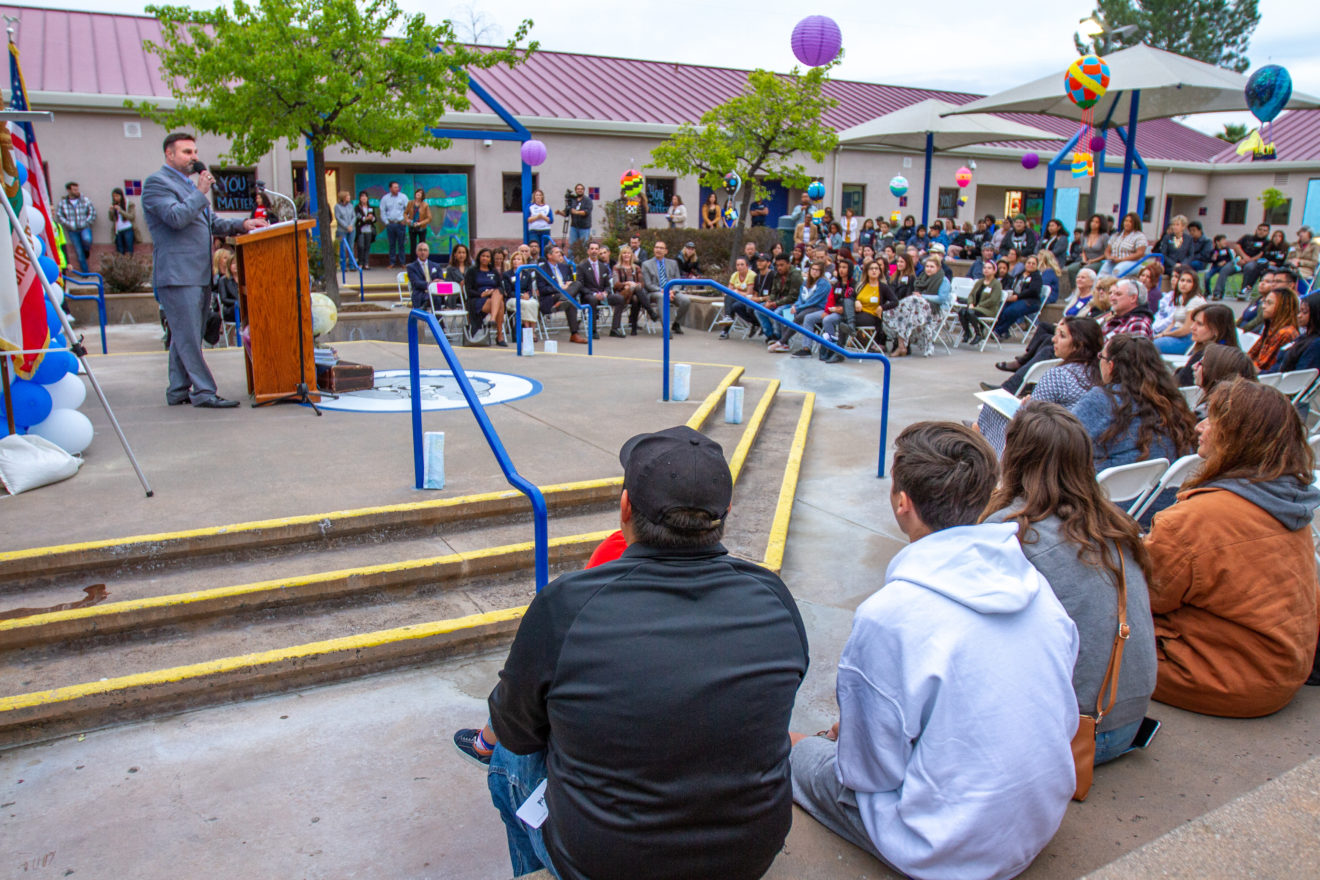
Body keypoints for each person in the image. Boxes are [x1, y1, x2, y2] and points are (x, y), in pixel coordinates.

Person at [485, 425, 809, 880]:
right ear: (725, 513)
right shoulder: (773, 595)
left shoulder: (567, 605)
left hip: (602, 865)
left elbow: (518, 732)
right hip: (748, 857)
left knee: (507, 759)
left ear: (625, 508)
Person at [790, 421, 1078, 880]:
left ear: (901, 503)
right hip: (1039, 819)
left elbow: (868, 775)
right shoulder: (1037, 589)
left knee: (794, 752)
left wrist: (838, 740)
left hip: (946, 847)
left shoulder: (890, 614)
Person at [986, 402, 1157, 764]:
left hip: (1077, 736)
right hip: (1129, 719)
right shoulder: (1114, 523)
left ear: (1013, 455)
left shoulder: (1011, 530)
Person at [1145, 379, 1319, 717]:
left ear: (1235, 436)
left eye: (1211, 419)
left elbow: (1147, 597)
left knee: (1085, 618)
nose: (1200, 427)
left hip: (1224, 678)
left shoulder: (1196, 518)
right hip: (1283, 668)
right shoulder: (1286, 500)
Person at [142, 132, 266, 408]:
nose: (194, 157)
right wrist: (200, 191)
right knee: (187, 338)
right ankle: (204, 392)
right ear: (169, 155)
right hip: (177, 275)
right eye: (187, 152)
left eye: (195, 151)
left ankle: (177, 390)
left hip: (198, 274)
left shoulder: (188, 186)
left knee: (186, 336)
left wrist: (242, 224)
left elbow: (210, 222)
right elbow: (175, 218)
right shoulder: (156, 184)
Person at [1070, 334, 1198, 522]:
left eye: (1101, 357)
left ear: (1111, 365)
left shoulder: (1104, 400)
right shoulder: (1174, 404)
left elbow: (1058, 441)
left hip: (1106, 512)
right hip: (1158, 512)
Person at [978, 317, 1103, 454]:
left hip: (1051, 442)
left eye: (1062, 336)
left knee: (990, 408)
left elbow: (1032, 416)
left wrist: (1026, 405)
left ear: (1078, 345)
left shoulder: (1059, 375)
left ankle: (990, 455)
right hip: (1075, 440)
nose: (1053, 339)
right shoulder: (1098, 373)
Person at [771, 260, 829, 354]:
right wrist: (795, 305)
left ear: (821, 272)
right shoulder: (806, 282)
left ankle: (781, 341)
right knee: (786, 314)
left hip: (818, 307)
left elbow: (814, 301)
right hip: (804, 306)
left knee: (799, 316)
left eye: (817, 270)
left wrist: (798, 308)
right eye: (813, 269)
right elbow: (801, 298)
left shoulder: (824, 284)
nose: (814, 272)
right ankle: (785, 343)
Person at [1173, 303, 1239, 386]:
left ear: (1217, 329)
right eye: (1194, 322)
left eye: (1200, 324)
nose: (1192, 327)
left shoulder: (1207, 357)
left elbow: (1182, 383)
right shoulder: (1234, 354)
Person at [538, 244, 586, 344]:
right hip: (550, 299)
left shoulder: (564, 267)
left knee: (577, 284)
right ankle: (574, 333)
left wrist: (569, 284)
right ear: (549, 255)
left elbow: (571, 284)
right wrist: (560, 288)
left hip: (564, 296)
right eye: (556, 252)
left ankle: (574, 334)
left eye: (560, 252)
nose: (560, 254)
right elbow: (542, 290)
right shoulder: (541, 269)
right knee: (570, 300)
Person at [1153, 269, 1207, 354]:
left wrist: (1165, 335)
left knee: (1153, 345)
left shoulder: (1195, 301)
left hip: (1187, 338)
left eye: (1189, 281)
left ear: (1194, 284)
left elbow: (1186, 329)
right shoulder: (1180, 298)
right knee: (1147, 342)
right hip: (1175, 333)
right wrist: (1163, 333)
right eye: (1182, 280)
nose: (1184, 284)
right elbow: (1173, 323)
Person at [640, 240, 689, 335]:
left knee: (686, 300)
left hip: (671, 292)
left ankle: (676, 323)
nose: (658, 250)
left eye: (661, 248)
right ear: (654, 249)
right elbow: (648, 284)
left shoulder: (673, 263)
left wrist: (673, 291)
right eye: (656, 247)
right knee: (662, 297)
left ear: (666, 251)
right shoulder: (646, 264)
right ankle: (666, 330)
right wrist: (664, 291)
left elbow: (678, 280)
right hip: (655, 292)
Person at [1247, 287, 1300, 371]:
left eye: (1269, 303)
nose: (1263, 306)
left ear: (1284, 307)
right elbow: (1251, 354)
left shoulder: (1286, 333)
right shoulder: (1271, 328)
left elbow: (1263, 365)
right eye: (1264, 302)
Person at [992, 253, 1043, 340]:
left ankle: (998, 331)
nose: (1030, 265)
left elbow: (1033, 291)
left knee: (1012, 311)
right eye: (1028, 263)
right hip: (1016, 299)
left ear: (1036, 266)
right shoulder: (1020, 275)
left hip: (1030, 301)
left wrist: (1017, 297)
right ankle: (1002, 331)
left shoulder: (1036, 277)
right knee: (1002, 308)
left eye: (1033, 263)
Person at [465, 247, 508, 346]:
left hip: (493, 298)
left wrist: (491, 292)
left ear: (490, 259)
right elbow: (468, 290)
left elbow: (501, 288)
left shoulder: (494, 272)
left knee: (498, 293)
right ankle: (499, 336)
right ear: (479, 257)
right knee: (500, 305)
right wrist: (481, 294)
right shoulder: (472, 271)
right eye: (483, 256)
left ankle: (492, 319)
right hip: (477, 299)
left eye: (487, 256)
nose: (485, 258)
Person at [1271, 291, 1320, 375]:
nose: (1299, 316)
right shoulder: (1303, 337)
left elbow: (1301, 376)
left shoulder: (1316, 344)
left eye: (1304, 312)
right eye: (1299, 311)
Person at [577, 242, 617, 339]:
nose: (594, 251)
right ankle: (593, 330)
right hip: (588, 295)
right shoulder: (582, 267)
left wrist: (606, 292)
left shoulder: (603, 267)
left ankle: (615, 329)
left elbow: (608, 285)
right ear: (588, 251)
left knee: (619, 298)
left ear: (599, 251)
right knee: (592, 300)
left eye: (596, 249)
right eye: (592, 249)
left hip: (603, 295)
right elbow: (580, 286)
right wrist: (594, 294)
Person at [760, 254, 803, 346]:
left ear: (789, 264)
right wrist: (769, 301)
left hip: (792, 304)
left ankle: (779, 337)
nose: (779, 268)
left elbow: (793, 297)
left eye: (782, 265)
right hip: (779, 301)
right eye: (777, 265)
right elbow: (774, 291)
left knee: (778, 313)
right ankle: (770, 335)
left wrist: (775, 303)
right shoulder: (777, 274)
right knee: (759, 309)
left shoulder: (795, 276)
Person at [958, 257, 1002, 346]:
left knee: (970, 312)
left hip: (988, 309)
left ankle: (979, 334)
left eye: (989, 268)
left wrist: (978, 306)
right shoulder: (979, 282)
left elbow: (993, 300)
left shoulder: (996, 284)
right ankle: (967, 332)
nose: (986, 270)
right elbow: (971, 295)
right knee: (962, 311)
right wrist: (970, 303)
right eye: (985, 268)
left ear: (994, 271)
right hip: (975, 307)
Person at [852, 259, 894, 350]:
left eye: (876, 268)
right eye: (871, 269)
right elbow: (851, 298)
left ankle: (844, 335)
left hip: (872, 316)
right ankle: (840, 345)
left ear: (879, 271)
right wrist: (856, 301)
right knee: (847, 304)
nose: (874, 271)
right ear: (867, 271)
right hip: (858, 313)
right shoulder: (861, 285)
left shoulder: (883, 287)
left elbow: (895, 301)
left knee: (846, 320)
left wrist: (882, 307)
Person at [57, 181, 96, 273]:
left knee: (87, 239)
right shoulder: (63, 203)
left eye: (77, 189)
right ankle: (85, 273)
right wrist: (68, 224)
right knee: (79, 252)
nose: (76, 191)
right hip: (72, 230)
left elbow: (92, 212)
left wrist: (86, 222)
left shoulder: (85, 200)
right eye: (74, 189)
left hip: (84, 227)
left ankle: (87, 250)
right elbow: (59, 216)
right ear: (68, 190)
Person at [1098, 212, 1149, 277]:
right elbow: (1107, 251)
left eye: (1130, 222)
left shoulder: (1139, 236)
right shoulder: (1116, 235)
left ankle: (1114, 286)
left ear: (1135, 223)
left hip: (1131, 263)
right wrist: (1109, 257)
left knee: (1117, 270)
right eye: (1126, 221)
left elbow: (1140, 253)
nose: (1127, 223)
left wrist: (1122, 259)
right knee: (1103, 272)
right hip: (1114, 261)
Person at [406, 240, 448, 311]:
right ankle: (438, 320)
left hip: (435, 292)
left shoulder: (436, 266)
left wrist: (439, 282)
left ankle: (437, 318)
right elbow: (416, 283)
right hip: (420, 293)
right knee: (435, 298)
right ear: (416, 252)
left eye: (425, 250)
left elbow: (441, 280)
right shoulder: (411, 267)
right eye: (420, 250)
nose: (423, 252)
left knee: (440, 294)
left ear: (428, 252)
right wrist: (431, 284)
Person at [612, 244, 644, 335]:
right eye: (624, 253)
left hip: (635, 295)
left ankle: (634, 327)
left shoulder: (636, 268)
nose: (626, 255)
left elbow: (642, 284)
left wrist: (635, 285)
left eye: (628, 253)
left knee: (635, 298)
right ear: (621, 255)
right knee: (635, 292)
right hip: (622, 294)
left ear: (631, 255)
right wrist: (626, 284)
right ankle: (648, 310)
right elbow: (616, 284)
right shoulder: (616, 267)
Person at [1231, 222, 1271, 296]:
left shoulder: (1267, 242)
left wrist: (1248, 260)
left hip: (1254, 262)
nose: (1261, 232)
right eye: (1260, 229)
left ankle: (1243, 291)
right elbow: (1236, 246)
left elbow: (1261, 254)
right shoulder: (1247, 237)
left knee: (1249, 267)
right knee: (1225, 269)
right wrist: (1244, 257)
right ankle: (1217, 293)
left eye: (1264, 230)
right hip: (1240, 260)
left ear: (1268, 232)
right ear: (1256, 230)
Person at [1068, 214, 1110, 283]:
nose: (1093, 224)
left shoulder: (1104, 236)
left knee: (1085, 270)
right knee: (1071, 269)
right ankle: (1075, 289)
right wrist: (1084, 260)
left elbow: (1107, 253)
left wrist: (1093, 261)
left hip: (1099, 261)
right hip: (1087, 261)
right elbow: (1083, 250)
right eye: (1092, 221)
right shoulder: (1084, 235)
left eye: (1097, 222)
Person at [504, 250, 539, 332]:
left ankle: (532, 331)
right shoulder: (507, 275)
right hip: (512, 298)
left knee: (534, 303)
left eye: (518, 259)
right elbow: (508, 291)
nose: (516, 261)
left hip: (526, 297)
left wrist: (528, 295)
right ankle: (527, 330)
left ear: (523, 262)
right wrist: (520, 296)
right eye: (514, 259)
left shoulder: (527, 275)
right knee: (523, 304)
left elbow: (530, 290)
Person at [378, 180, 409, 268]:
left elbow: (408, 210)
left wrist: (405, 220)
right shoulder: (385, 198)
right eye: (395, 187)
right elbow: (382, 211)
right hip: (390, 224)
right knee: (391, 244)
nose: (397, 189)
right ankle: (392, 262)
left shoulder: (403, 197)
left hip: (400, 224)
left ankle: (402, 263)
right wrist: (387, 223)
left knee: (401, 244)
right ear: (390, 188)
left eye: (397, 187)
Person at [211, 247, 239, 326]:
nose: (235, 266)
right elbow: (223, 298)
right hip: (230, 308)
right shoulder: (221, 279)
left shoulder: (243, 279)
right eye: (225, 258)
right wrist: (238, 302)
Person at [1205, 234, 1236, 300]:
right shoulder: (1214, 251)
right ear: (1217, 242)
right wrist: (1214, 259)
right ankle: (1207, 291)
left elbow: (1230, 259)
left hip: (1224, 267)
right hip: (1215, 267)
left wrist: (1224, 262)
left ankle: (1220, 293)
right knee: (1207, 276)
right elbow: (1209, 260)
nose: (1225, 242)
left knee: (1222, 276)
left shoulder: (1226, 249)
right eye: (1223, 240)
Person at [108, 187, 136, 255]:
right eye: (114, 196)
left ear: (121, 195)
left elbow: (132, 217)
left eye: (117, 196)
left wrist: (120, 211)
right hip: (118, 230)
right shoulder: (114, 204)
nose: (115, 198)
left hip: (127, 229)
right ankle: (121, 265)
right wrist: (111, 211)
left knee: (129, 250)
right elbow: (111, 219)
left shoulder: (129, 204)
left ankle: (130, 264)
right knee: (120, 250)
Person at [404, 188, 431, 255]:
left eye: (420, 193)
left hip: (422, 228)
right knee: (413, 245)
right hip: (412, 227)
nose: (418, 193)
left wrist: (420, 223)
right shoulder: (410, 203)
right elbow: (405, 213)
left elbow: (429, 218)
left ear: (422, 196)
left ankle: (422, 261)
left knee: (422, 246)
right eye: (417, 192)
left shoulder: (425, 205)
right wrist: (407, 219)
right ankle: (413, 261)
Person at [526, 189, 554, 254]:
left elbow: (551, 220)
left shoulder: (547, 207)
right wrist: (537, 217)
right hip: (534, 230)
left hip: (545, 230)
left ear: (542, 197)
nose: (538, 197)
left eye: (540, 195)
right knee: (534, 247)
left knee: (544, 248)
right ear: (534, 197)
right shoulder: (530, 206)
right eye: (536, 195)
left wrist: (543, 217)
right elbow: (527, 219)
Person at [353, 191, 377, 266]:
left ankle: (366, 263)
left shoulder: (370, 208)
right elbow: (358, 218)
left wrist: (372, 218)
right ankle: (360, 262)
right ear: (360, 198)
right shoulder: (357, 208)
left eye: (365, 196)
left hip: (369, 229)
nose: (364, 198)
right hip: (361, 229)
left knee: (367, 246)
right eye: (362, 197)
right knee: (361, 246)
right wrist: (366, 218)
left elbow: (375, 219)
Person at [332, 190, 355, 265]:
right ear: (343, 197)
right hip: (342, 230)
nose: (349, 197)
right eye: (347, 196)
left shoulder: (351, 206)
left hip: (351, 229)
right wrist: (346, 226)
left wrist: (351, 225)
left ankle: (352, 265)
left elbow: (354, 216)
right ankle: (343, 266)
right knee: (343, 248)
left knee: (351, 247)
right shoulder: (337, 207)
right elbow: (338, 218)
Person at [566, 183, 592, 250]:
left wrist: (576, 212)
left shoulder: (587, 200)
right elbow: (568, 212)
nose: (580, 190)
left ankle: (583, 259)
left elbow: (586, 212)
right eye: (578, 189)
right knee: (572, 246)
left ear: (583, 190)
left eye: (581, 189)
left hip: (584, 227)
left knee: (584, 246)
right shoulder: (573, 200)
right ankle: (571, 260)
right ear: (575, 190)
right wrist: (560, 213)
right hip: (574, 226)